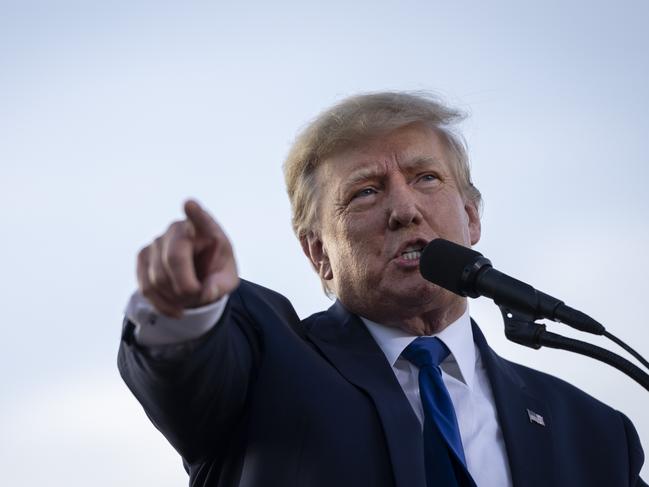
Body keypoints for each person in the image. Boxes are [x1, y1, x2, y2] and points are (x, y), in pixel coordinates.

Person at [118, 92, 646, 487]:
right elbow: (189, 369)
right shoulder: (263, 363)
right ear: (319, 254)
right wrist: (184, 309)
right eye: (366, 192)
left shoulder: (595, 434)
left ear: (471, 218)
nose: (404, 210)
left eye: (426, 178)